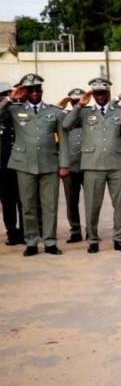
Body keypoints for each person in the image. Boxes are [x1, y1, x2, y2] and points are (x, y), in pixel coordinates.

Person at [62, 78, 121, 253]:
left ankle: (119, 238)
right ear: (93, 95)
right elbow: (66, 124)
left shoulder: (120, 113)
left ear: (108, 94)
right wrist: (79, 105)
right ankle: (92, 239)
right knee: (92, 205)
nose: (101, 96)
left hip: (117, 164)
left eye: (103, 93)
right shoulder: (85, 112)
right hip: (93, 165)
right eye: (97, 93)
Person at [2, 74, 66, 256]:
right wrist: (10, 98)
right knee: (28, 205)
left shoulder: (54, 111)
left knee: (50, 205)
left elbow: (63, 140)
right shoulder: (14, 109)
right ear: (25, 92)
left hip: (49, 163)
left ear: (42, 91)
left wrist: (64, 164)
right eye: (31, 90)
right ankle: (31, 241)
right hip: (24, 164)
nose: (35, 93)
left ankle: (50, 242)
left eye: (38, 90)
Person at [54, 87, 86, 244]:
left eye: (79, 102)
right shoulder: (64, 116)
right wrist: (61, 105)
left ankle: (91, 230)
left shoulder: (89, 114)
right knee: (71, 201)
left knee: (92, 201)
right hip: (70, 165)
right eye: (73, 102)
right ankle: (75, 230)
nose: (76, 105)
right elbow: (52, 117)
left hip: (88, 165)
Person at [0, 81, 20, 246]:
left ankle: (28, 231)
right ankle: (12, 232)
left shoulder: (15, 111)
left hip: (20, 163)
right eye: (3, 95)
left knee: (25, 200)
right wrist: (8, 101)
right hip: (3, 167)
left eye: (7, 94)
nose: (6, 97)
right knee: (7, 202)